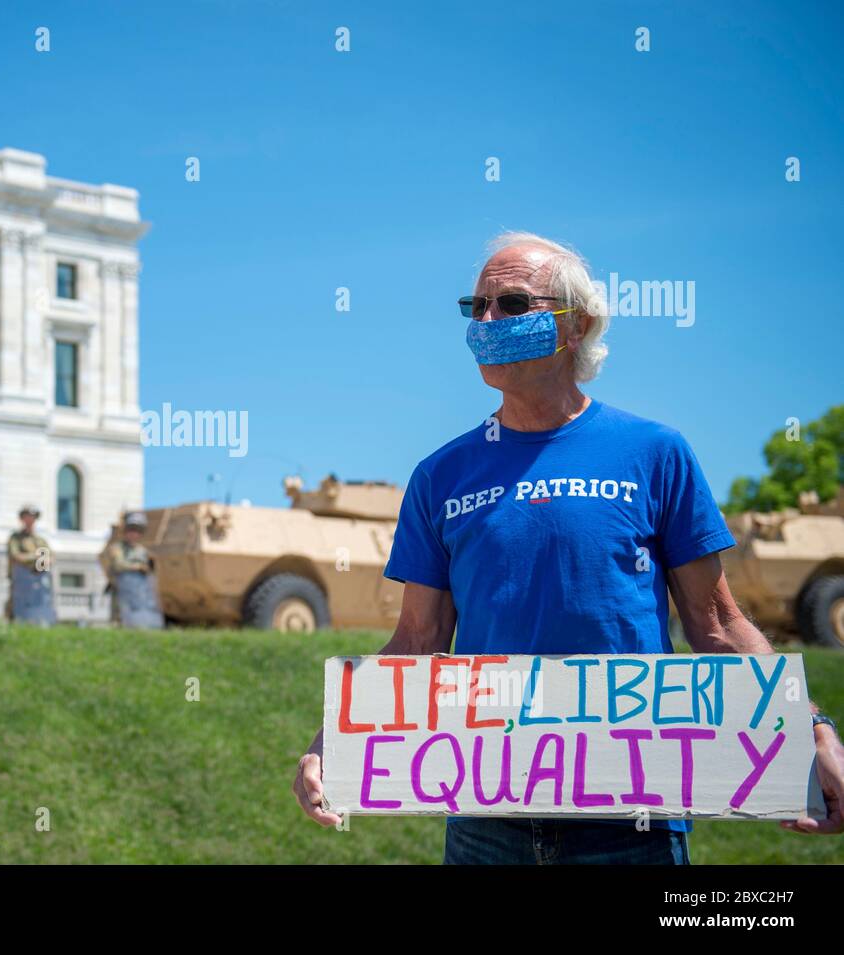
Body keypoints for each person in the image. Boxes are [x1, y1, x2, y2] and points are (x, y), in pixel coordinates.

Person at [292, 231, 844, 863]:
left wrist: (813, 727)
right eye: (476, 308)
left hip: (633, 819)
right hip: (485, 822)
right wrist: (335, 737)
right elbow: (416, 642)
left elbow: (718, 625)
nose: (488, 321)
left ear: (575, 325)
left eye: (512, 304)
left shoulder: (655, 454)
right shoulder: (440, 476)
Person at [99, 511, 157, 624]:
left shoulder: (143, 551)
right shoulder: (117, 548)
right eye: (131, 530)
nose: (134, 534)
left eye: (137, 531)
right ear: (126, 532)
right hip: (121, 589)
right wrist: (138, 567)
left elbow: (150, 570)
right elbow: (118, 565)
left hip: (139, 592)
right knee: (119, 620)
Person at [7, 504, 54, 622]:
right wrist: (36, 556)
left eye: (32, 517)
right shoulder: (16, 538)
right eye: (27, 517)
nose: (30, 520)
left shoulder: (40, 540)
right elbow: (16, 556)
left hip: (38, 578)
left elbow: (49, 557)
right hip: (22, 579)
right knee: (19, 607)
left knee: (40, 605)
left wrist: (42, 562)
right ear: (22, 519)